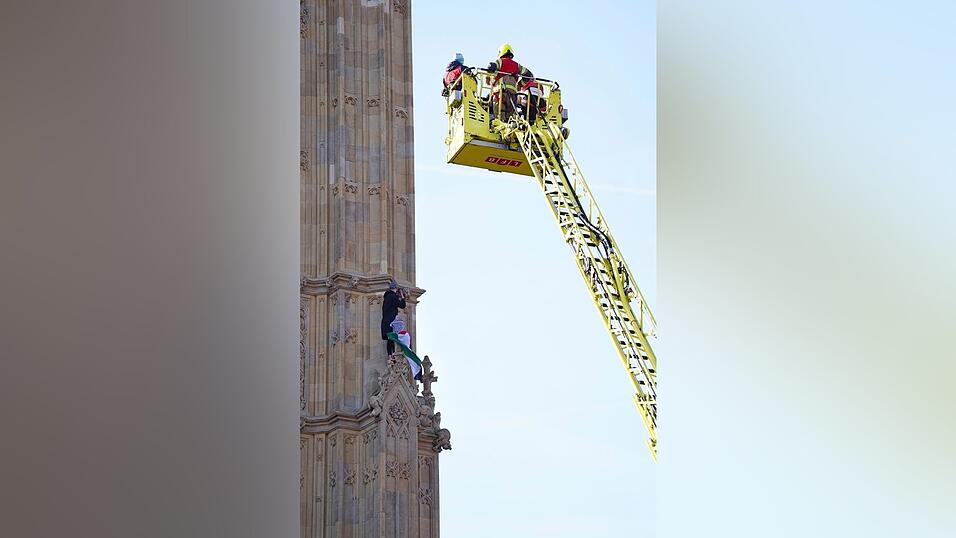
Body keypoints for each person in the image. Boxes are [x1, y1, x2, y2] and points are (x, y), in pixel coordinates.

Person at [486, 43, 533, 123]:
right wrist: (520, 84)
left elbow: (491, 67)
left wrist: (490, 76)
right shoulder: (517, 66)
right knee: (509, 120)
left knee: (498, 119)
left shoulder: (500, 62)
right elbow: (529, 75)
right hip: (513, 96)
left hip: (499, 94)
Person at [381, 280, 406, 354]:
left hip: (385, 323)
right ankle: (392, 355)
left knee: (390, 339)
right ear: (395, 288)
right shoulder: (392, 296)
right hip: (391, 322)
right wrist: (402, 296)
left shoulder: (386, 297)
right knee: (393, 338)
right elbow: (402, 305)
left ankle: (390, 355)